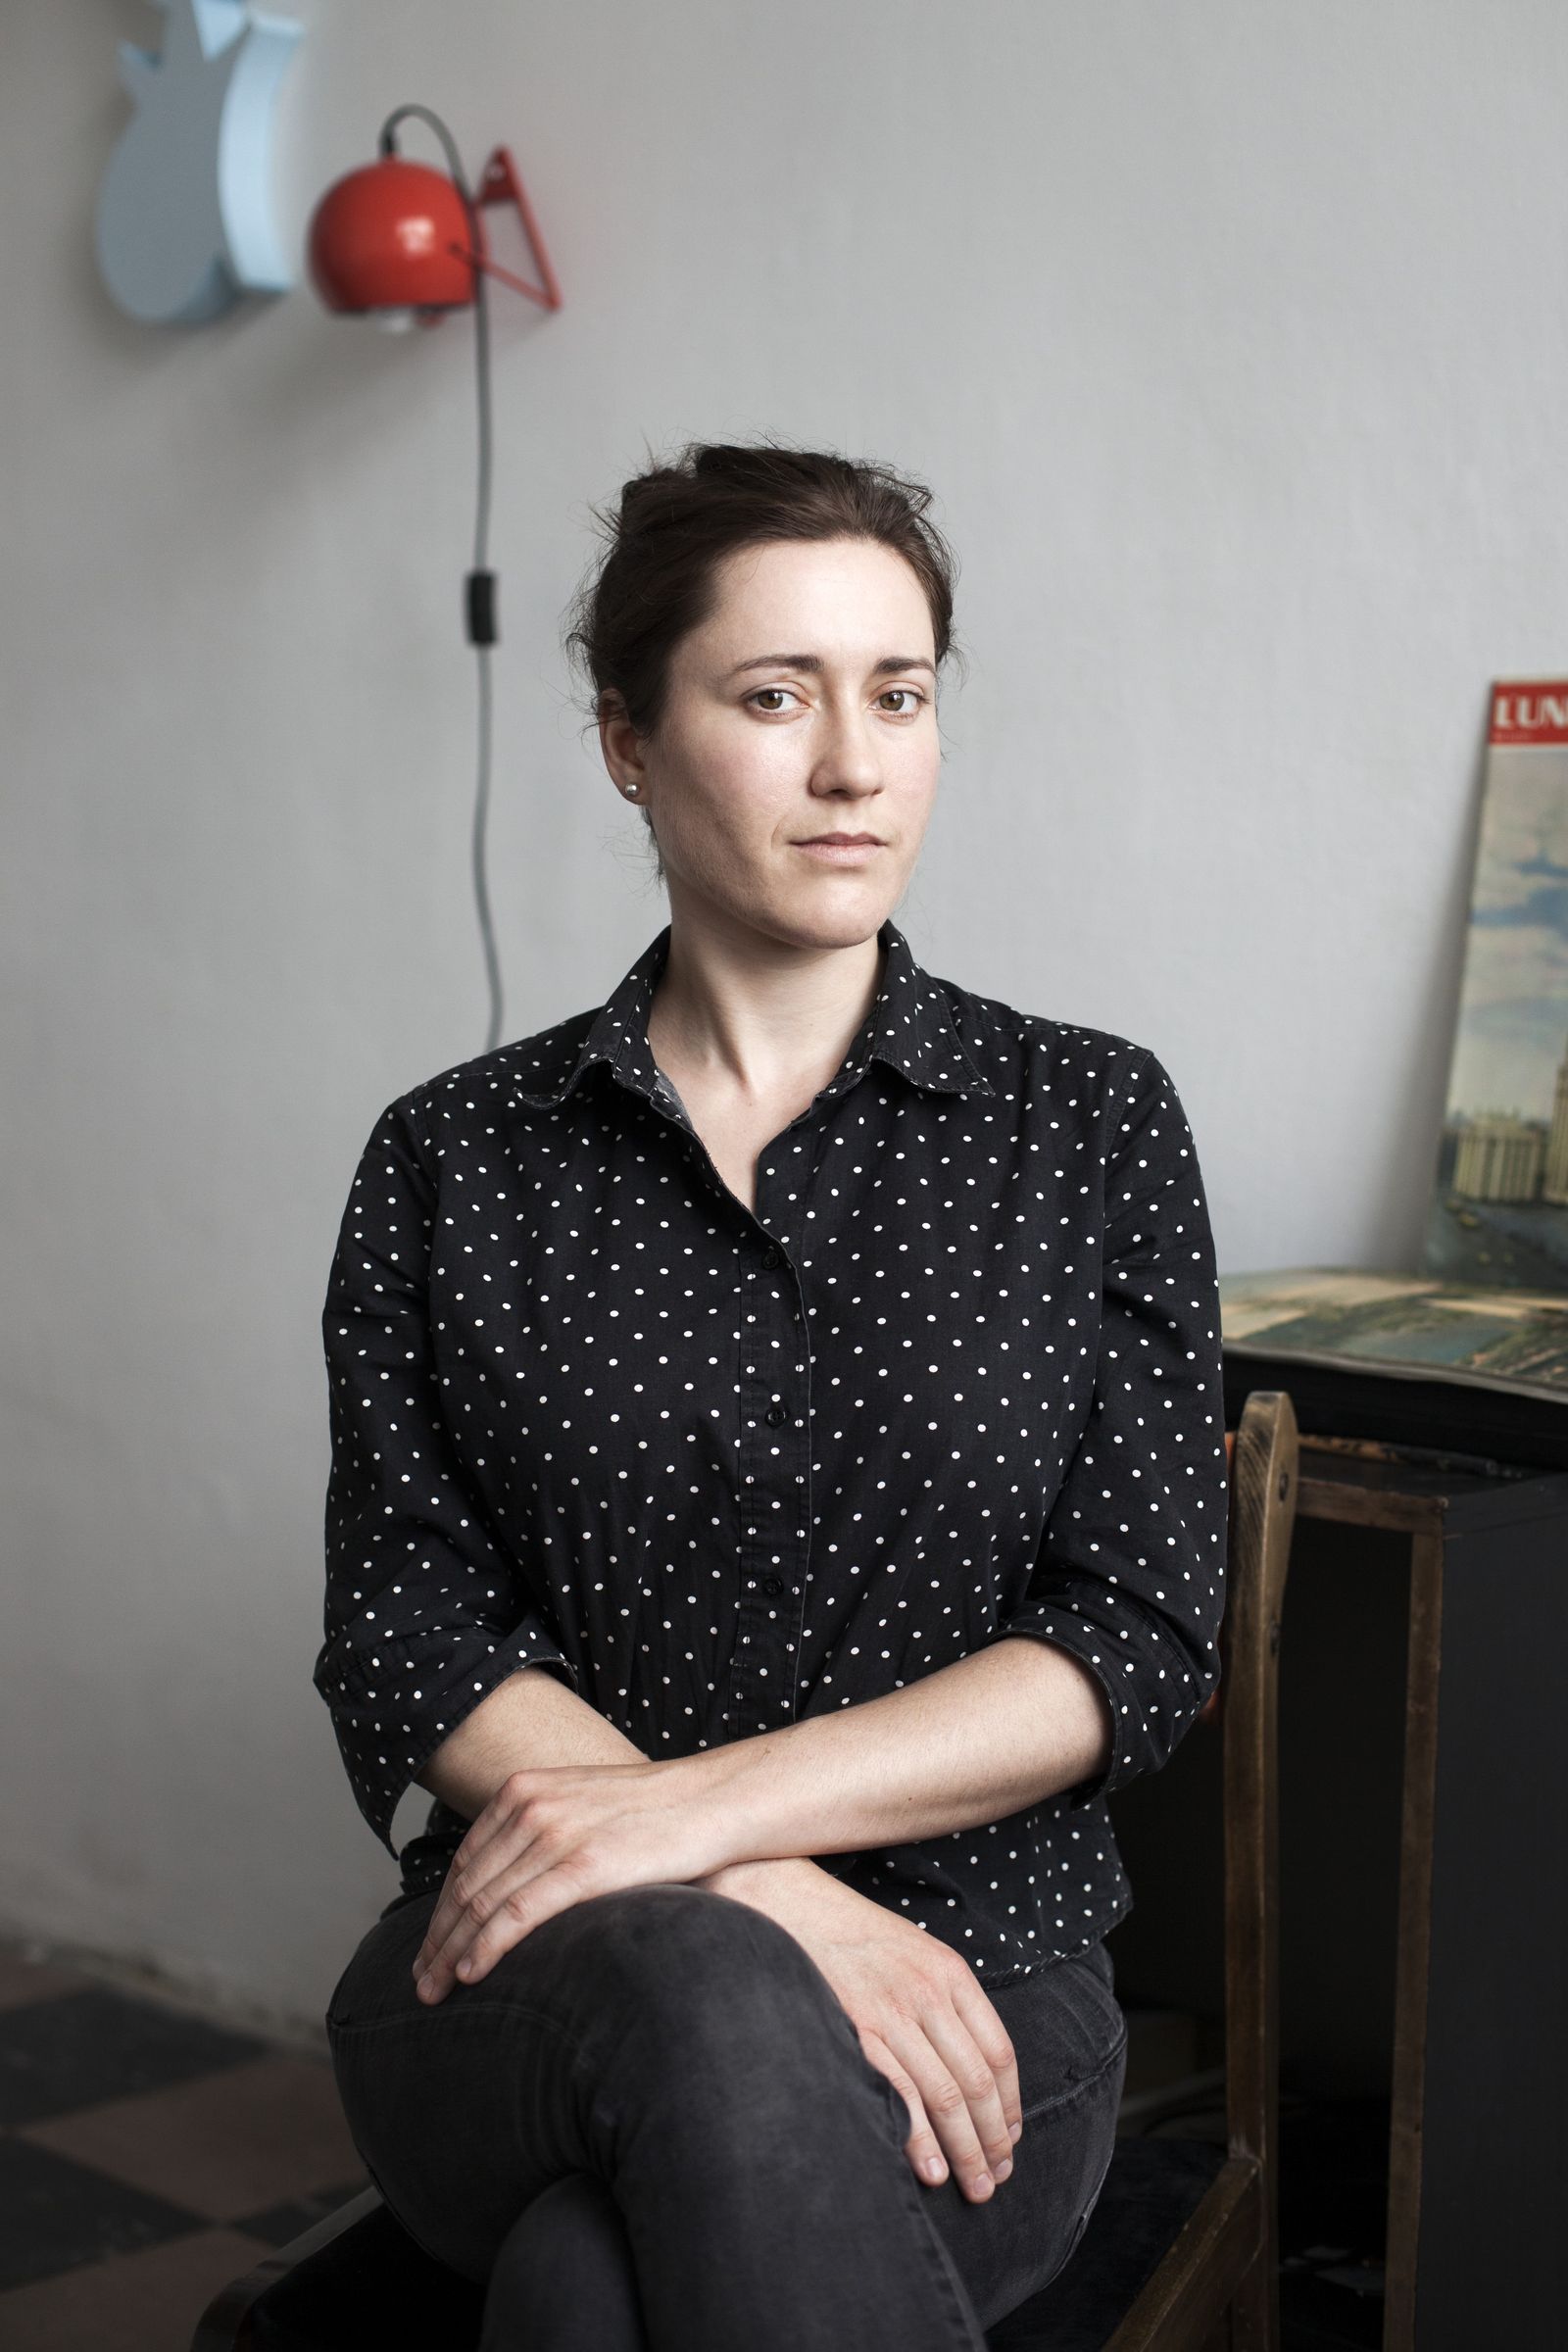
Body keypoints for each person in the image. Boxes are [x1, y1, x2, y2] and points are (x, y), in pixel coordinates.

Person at [314, 439, 1229, 2350]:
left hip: (976, 1980)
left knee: (582, 2293)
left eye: (897, 694)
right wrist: (765, 1891)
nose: (854, 766)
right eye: (771, 697)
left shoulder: (1088, 1122)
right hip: (530, 1963)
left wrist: (687, 1820)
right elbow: (407, 1631)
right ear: (627, 744)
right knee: (713, 1995)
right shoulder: (456, 1159)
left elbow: (1134, 1636)